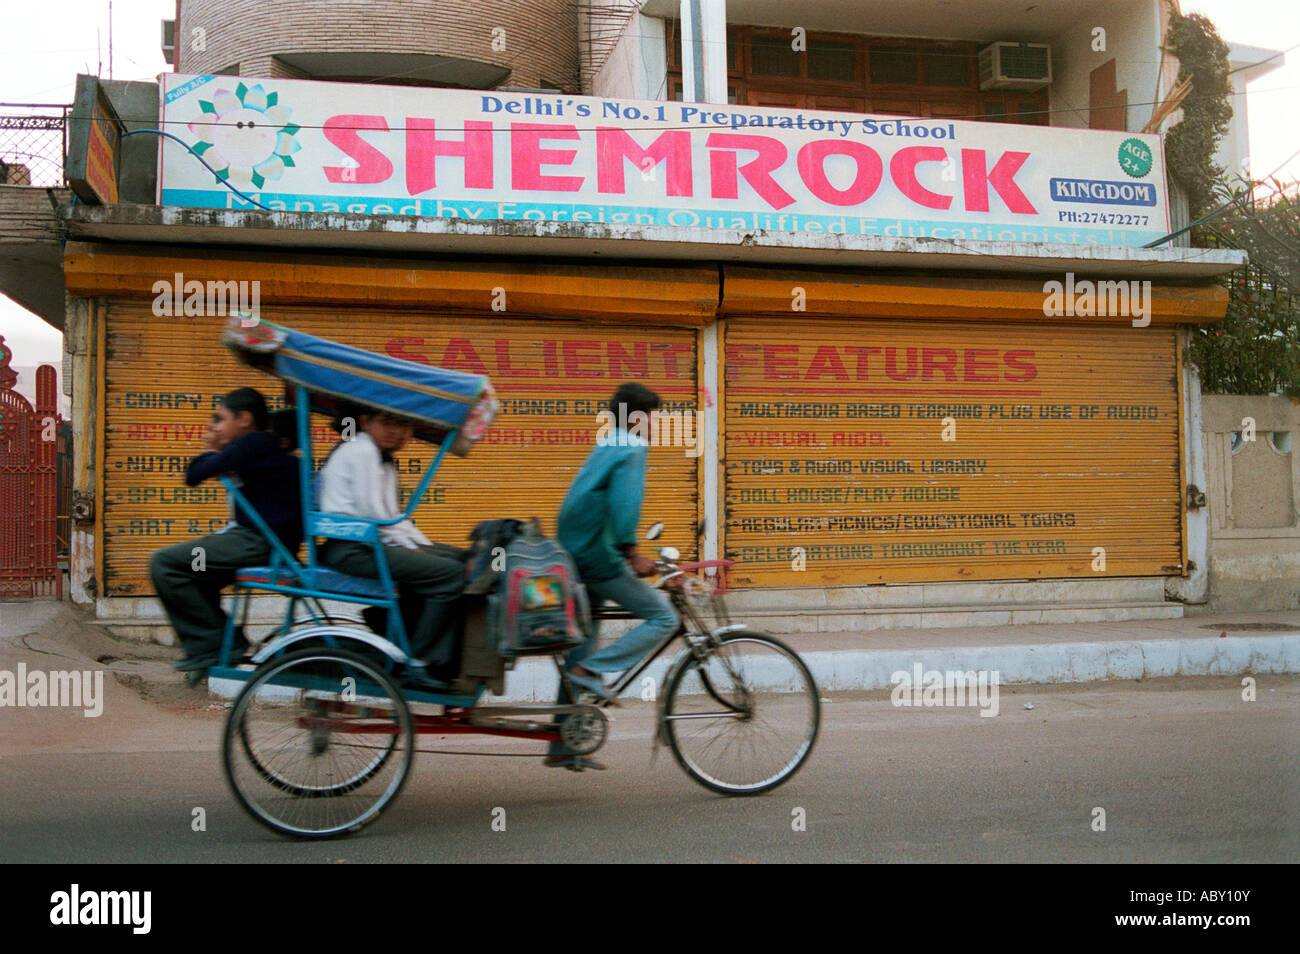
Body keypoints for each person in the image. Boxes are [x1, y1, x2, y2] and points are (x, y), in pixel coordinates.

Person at [546, 382, 681, 771]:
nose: (658, 424)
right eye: (655, 416)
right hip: (597, 557)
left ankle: (563, 744)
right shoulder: (632, 448)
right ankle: (592, 673)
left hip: (575, 554)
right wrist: (632, 552)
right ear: (638, 417)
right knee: (664, 617)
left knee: (580, 646)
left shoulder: (609, 442)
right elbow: (625, 505)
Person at [150, 387, 302, 672]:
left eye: (220, 419)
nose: (213, 426)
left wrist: (214, 449)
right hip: (264, 542)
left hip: (257, 542)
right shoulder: (261, 448)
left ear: (244, 418)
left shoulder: (254, 443)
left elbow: (194, 474)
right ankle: (226, 644)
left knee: (165, 563)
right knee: (196, 573)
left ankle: (212, 647)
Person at [317, 408, 468, 687]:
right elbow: (374, 515)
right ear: (365, 420)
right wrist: (412, 548)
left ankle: (399, 635)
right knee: (451, 575)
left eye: (403, 425)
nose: (395, 432)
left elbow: (393, 518)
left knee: (460, 561)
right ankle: (419, 660)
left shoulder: (380, 458)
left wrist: (420, 546)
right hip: (352, 548)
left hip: (367, 543)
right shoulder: (361, 450)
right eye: (387, 422)